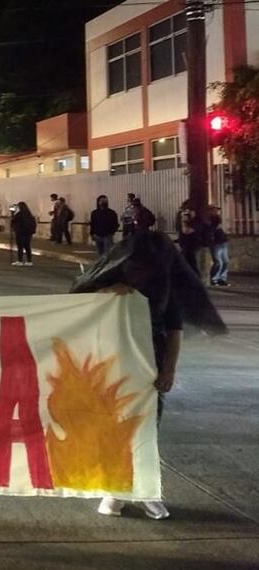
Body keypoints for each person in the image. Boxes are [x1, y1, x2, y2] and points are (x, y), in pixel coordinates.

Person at [72, 209, 225, 521]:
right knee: (115, 427)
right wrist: (105, 293)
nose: (145, 275)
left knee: (146, 430)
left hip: (149, 367)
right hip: (110, 363)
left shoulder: (164, 286)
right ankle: (115, 489)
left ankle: (143, 492)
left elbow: (174, 329)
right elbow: (74, 305)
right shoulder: (109, 282)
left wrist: (169, 369)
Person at [205, 205, 229, 287]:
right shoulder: (208, 220)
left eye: (216, 210)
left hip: (222, 242)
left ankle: (222, 279)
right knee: (218, 262)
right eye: (214, 210)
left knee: (225, 261)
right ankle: (214, 278)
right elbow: (209, 231)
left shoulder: (217, 219)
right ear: (209, 211)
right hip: (215, 243)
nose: (216, 212)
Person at [10, 202, 37, 266]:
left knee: (20, 247)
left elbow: (13, 222)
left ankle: (20, 261)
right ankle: (29, 261)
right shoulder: (29, 215)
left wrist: (13, 214)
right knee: (27, 246)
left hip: (20, 232)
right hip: (28, 233)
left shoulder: (19, 214)